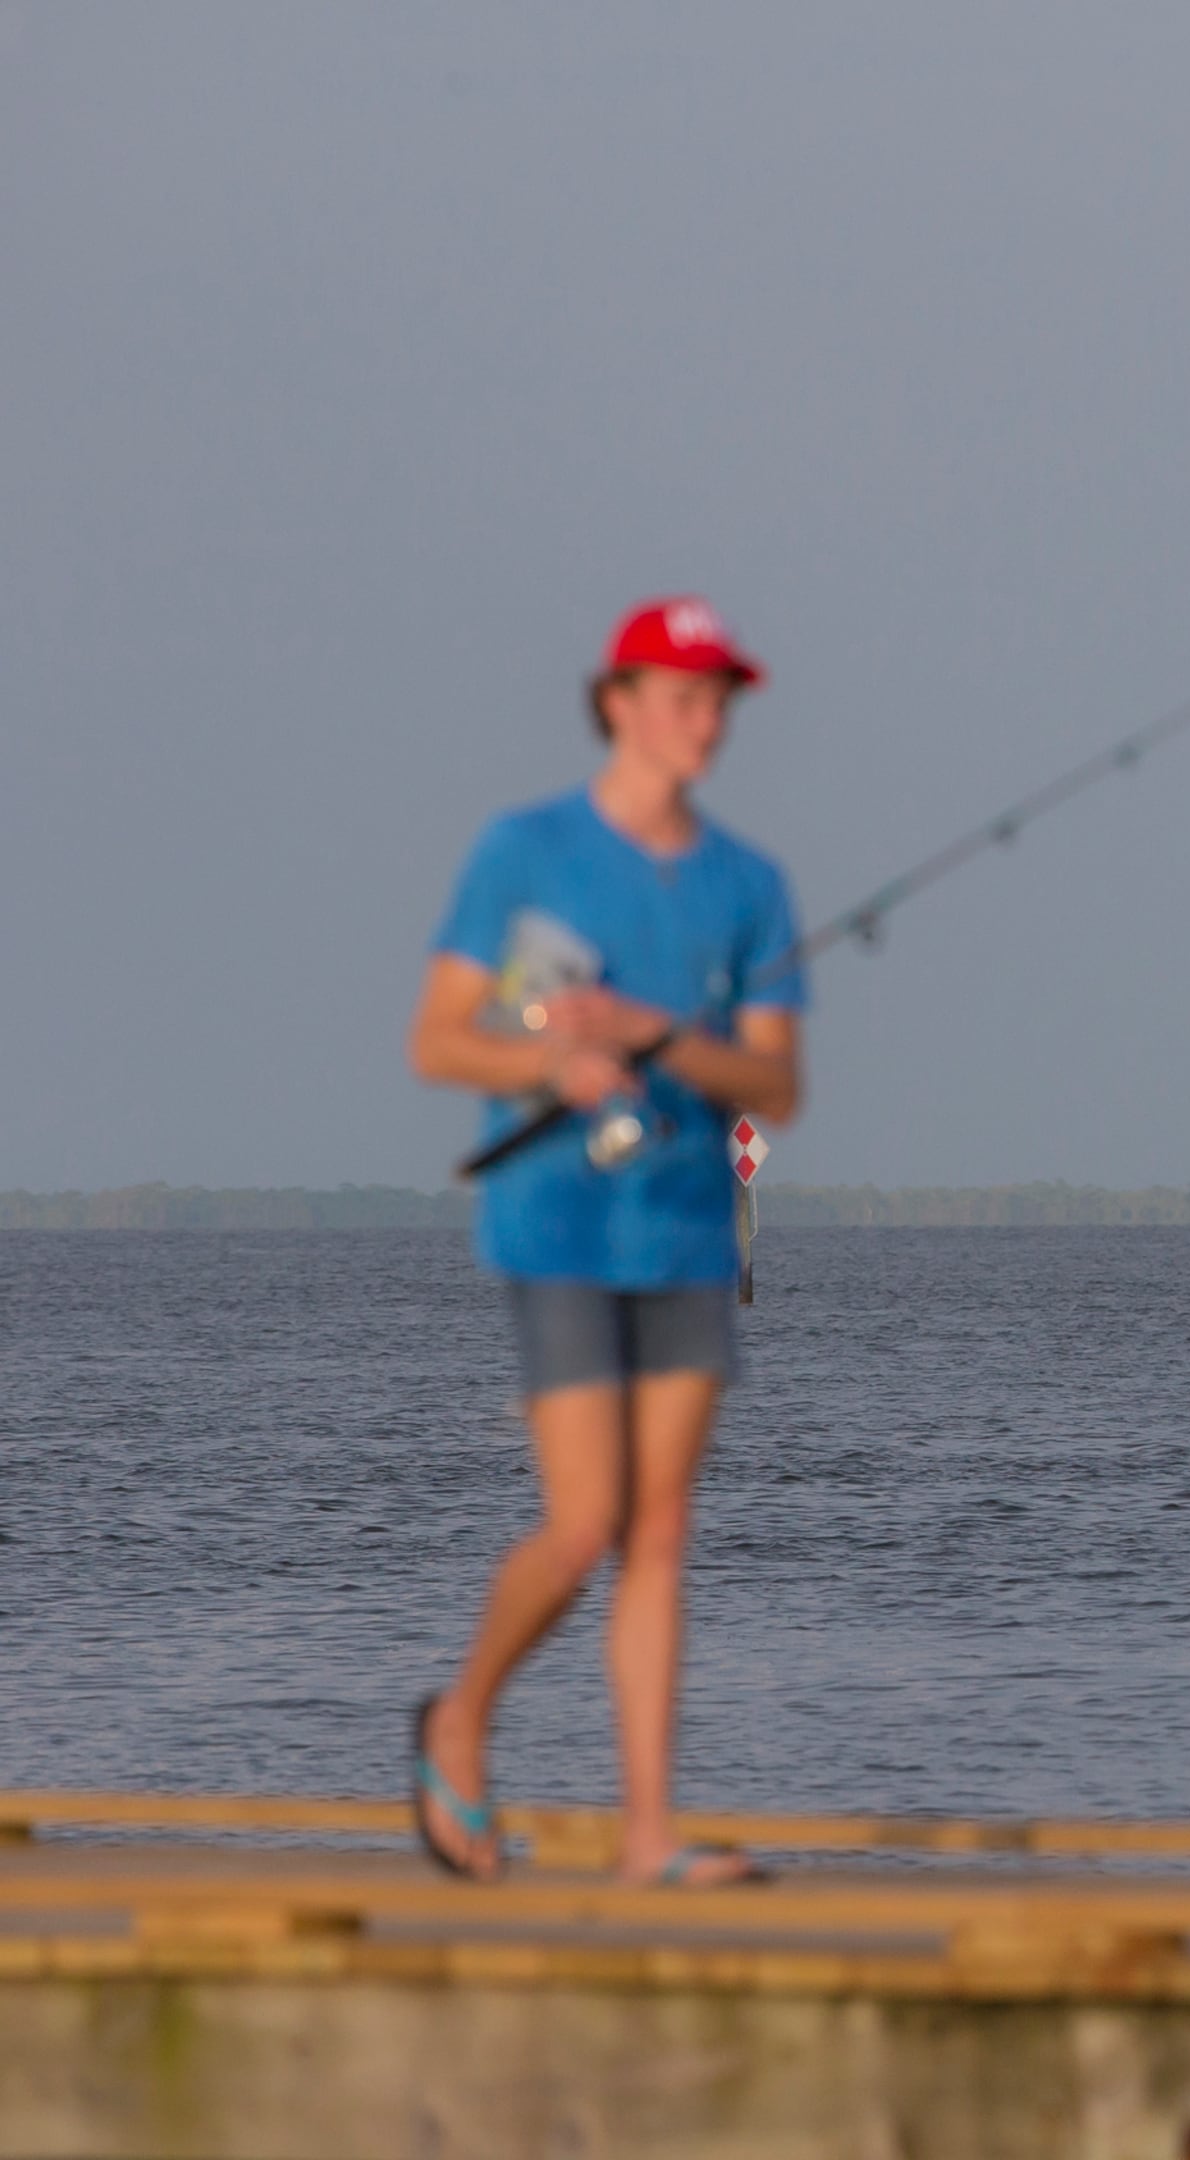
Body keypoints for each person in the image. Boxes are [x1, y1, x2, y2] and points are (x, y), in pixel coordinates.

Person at [402, 597, 805, 1888]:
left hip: (689, 1230)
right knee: (585, 1524)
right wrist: (553, 1062)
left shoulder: (753, 884)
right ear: (616, 701)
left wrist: (653, 1037)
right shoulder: (524, 849)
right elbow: (438, 1039)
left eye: (719, 698)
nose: (706, 720)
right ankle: (461, 1717)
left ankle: (649, 1836)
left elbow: (777, 1088)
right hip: (560, 1225)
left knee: (664, 1531)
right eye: (681, 694)